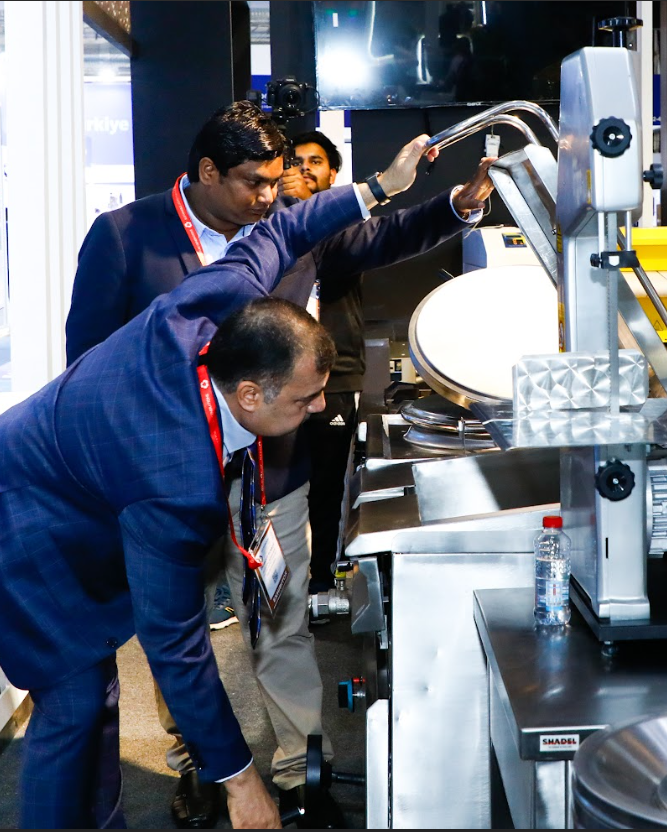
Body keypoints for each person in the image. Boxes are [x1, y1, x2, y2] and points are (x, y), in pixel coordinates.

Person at [0, 158, 420, 828]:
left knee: (99, 690)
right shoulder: (175, 483)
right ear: (250, 394)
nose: (318, 409)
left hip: (72, 490)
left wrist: (375, 187)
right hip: (10, 516)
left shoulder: (218, 299)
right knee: (74, 700)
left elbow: (282, 232)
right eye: (307, 397)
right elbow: (175, 644)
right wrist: (240, 781)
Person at [63, 102, 492, 828]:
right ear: (205, 172)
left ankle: (299, 771)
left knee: (281, 617)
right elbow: (87, 362)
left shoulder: (285, 232)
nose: (271, 197)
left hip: (274, 473)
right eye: (253, 184)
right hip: (167, 480)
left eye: (278, 181)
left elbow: (378, 238)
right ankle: (201, 764)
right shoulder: (125, 237)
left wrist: (456, 204)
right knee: (182, 626)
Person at [275, 130, 386, 592]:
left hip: (337, 375)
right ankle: (271, 584)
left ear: (332, 172)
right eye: (295, 162)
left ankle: (323, 581)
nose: (304, 170)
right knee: (274, 488)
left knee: (327, 488)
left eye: (314, 162)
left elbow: (346, 250)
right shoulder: (271, 225)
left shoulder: (346, 223)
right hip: (276, 379)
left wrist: (307, 209)